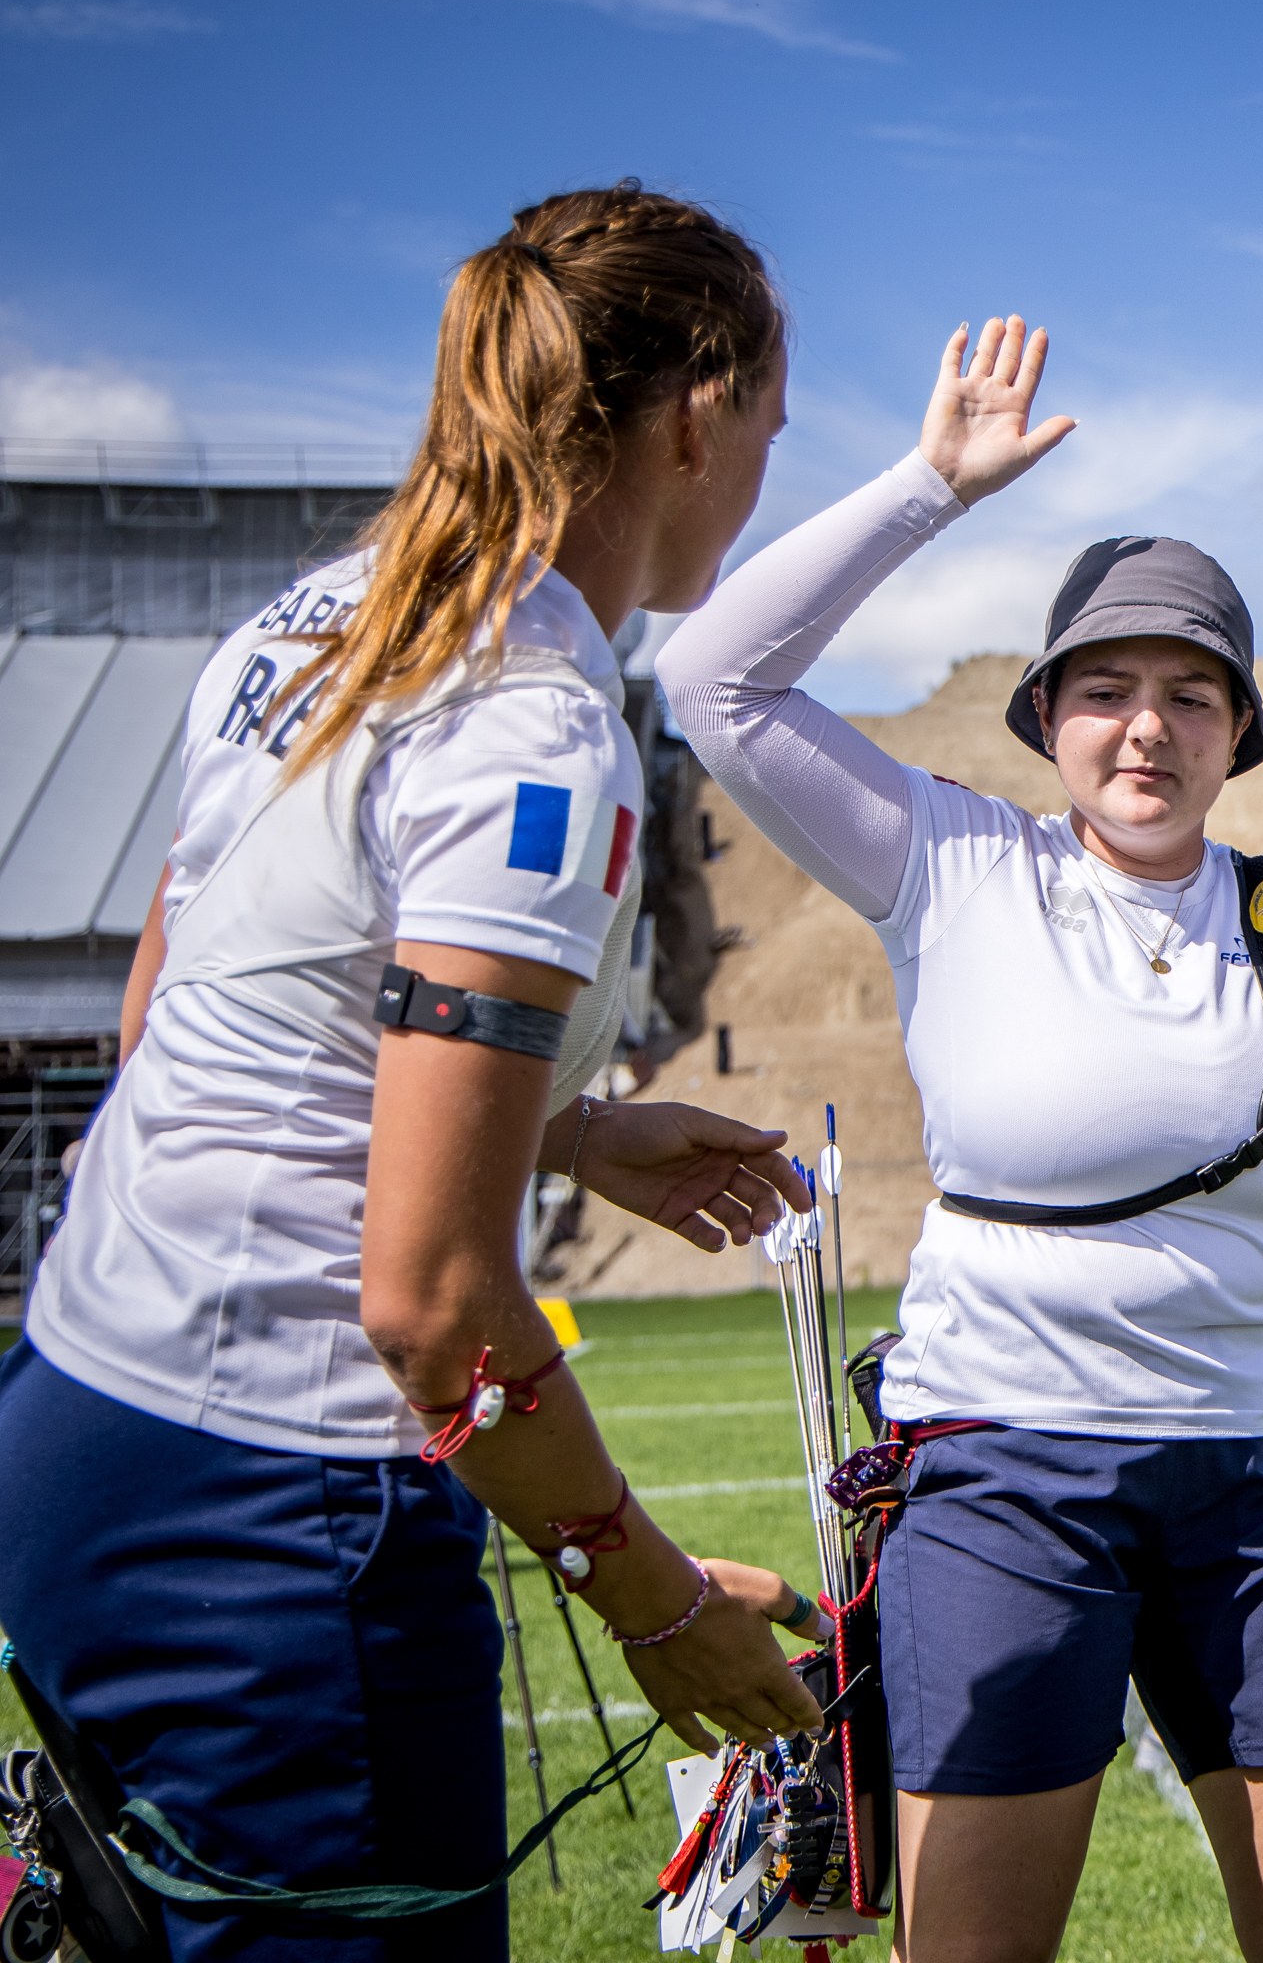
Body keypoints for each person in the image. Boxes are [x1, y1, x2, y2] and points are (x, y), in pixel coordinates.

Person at [655, 341, 1263, 1962]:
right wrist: (932, 489)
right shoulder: (949, 861)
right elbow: (714, 683)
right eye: (1105, 689)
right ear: (1048, 717)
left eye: (1192, 694)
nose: (1146, 729)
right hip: (1001, 1476)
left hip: (1253, 1481)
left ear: (1239, 728)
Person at [0, 184, 830, 1963]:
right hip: (269, 1524)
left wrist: (575, 1125)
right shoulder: (535, 725)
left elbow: (185, 1015)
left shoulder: (318, 617)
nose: (767, 465)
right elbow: (433, 1304)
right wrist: (654, 1594)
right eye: (772, 419)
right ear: (699, 415)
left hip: (77, 1417)